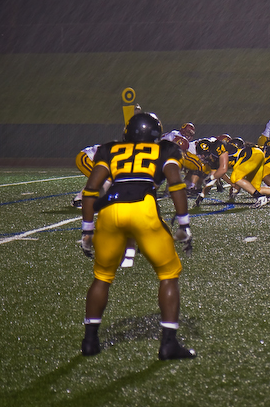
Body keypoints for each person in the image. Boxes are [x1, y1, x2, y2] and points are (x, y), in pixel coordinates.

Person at [79, 112, 196, 360]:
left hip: (110, 211)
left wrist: (87, 229)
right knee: (168, 274)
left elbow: (90, 190)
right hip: (143, 208)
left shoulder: (110, 150)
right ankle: (168, 344)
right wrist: (184, 222)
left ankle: (89, 341)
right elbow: (175, 184)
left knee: (102, 277)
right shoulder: (165, 149)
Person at [195, 136, 270, 207]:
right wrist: (202, 195)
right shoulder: (213, 159)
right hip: (252, 157)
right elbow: (214, 178)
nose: (202, 157)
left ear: (207, 150)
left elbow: (223, 169)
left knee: (235, 178)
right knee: (255, 188)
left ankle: (261, 198)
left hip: (251, 154)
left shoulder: (217, 147)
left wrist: (211, 178)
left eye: (202, 154)